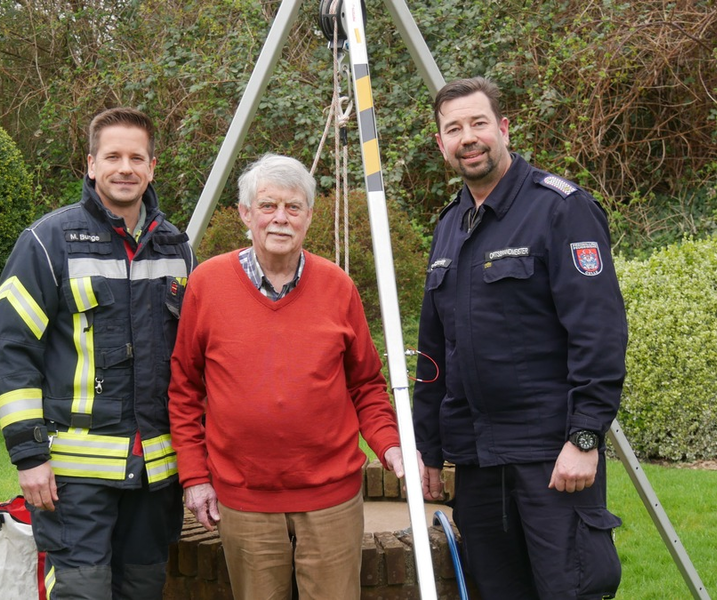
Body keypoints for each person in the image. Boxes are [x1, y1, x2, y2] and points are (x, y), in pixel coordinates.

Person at [413, 77, 628, 600]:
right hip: (479, 464)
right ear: (442, 143)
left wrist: (584, 438)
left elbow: (597, 333)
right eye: (454, 128)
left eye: (479, 123)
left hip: (551, 458)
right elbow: (434, 353)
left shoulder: (560, 209)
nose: (468, 137)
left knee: (569, 590)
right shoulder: (449, 228)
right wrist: (428, 450)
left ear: (504, 128)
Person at [168, 153, 408, 600]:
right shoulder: (207, 284)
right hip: (245, 500)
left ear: (309, 217)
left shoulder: (338, 286)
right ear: (245, 213)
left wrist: (390, 445)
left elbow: (366, 385)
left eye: (293, 207)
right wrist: (196, 477)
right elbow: (185, 390)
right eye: (267, 206)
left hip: (332, 498)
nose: (281, 218)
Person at [0, 107, 196, 599]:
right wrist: (29, 455)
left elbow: (194, 360)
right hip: (72, 477)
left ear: (152, 167)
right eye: (113, 156)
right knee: (83, 591)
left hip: (155, 474)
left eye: (136, 157)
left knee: (143, 588)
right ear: (91, 164)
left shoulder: (177, 248)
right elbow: (10, 349)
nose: (125, 167)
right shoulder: (48, 241)